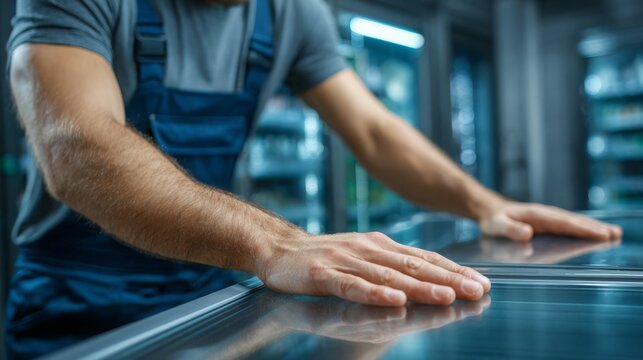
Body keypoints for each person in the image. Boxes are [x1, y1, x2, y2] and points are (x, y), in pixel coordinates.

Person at [4, 0, 621, 358]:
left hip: (205, 288)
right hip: (73, 294)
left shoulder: (291, 12)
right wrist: (276, 245)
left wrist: (486, 206)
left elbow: (375, 133)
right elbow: (75, 146)